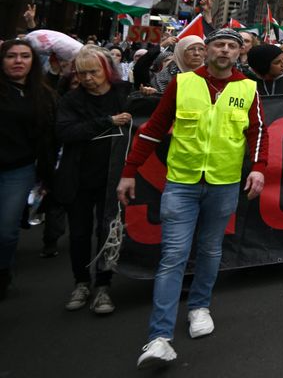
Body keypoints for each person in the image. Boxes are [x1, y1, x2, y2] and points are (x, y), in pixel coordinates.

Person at [117, 28, 267, 368]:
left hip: (224, 182)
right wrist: (129, 170)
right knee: (173, 255)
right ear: (207, 50)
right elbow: (154, 128)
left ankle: (199, 306)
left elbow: (257, 131)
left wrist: (258, 168)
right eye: (218, 44)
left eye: (231, 45)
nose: (225, 50)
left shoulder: (248, 88)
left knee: (211, 248)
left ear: (238, 53)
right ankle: (159, 337)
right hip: (182, 182)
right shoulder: (183, 84)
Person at [55, 45, 133, 314]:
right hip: (78, 177)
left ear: (107, 71)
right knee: (79, 233)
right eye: (82, 73)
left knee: (108, 230)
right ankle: (81, 282)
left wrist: (148, 96)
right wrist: (107, 121)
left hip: (113, 177)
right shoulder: (71, 100)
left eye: (94, 72)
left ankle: (103, 285)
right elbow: (66, 132)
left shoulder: (124, 93)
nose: (88, 78)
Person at [0, 39, 56, 300]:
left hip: (18, 171)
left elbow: (46, 138)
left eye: (24, 56)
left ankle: (2, 273)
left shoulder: (42, 95)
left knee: (7, 230)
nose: (18, 61)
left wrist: (45, 175)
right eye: (11, 56)